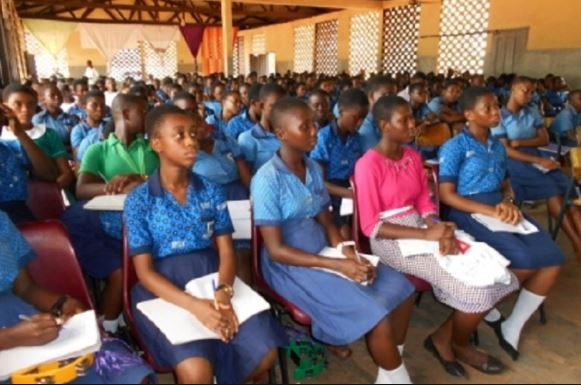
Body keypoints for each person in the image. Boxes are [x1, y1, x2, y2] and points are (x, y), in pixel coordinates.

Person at [252, 98, 416, 385]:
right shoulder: (267, 179)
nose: (315, 131)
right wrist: (337, 265)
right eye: (306, 127)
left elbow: (327, 220)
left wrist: (348, 252)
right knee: (374, 312)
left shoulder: (312, 167)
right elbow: (276, 250)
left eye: (315, 124)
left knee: (402, 288)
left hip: (322, 249)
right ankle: (398, 375)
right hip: (289, 264)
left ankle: (389, 368)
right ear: (282, 134)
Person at [356, 95, 517, 378]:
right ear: (384, 125)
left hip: (423, 226)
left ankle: (451, 340)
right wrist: (427, 233)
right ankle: (457, 343)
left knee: (491, 268)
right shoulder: (368, 164)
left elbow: (424, 201)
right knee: (471, 287)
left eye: (411, 117)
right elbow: (372, 227)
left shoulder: (412, 156)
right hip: (391, 239)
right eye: (403, 120)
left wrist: (437, 226)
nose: (412, 124)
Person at [124, 105, 286, 384]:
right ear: (157, 143)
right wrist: (196, 306)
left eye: (193, 134)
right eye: (180, 135)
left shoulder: (211, 190)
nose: (191, 142)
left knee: (264, 353)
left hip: (212, 275)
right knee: (195, 372)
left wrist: (223, 292)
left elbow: (226, 250)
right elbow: (145, 273)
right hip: (164, 286)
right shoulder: (140, 200)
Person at [439, 86, 565, 361]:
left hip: (499, 208)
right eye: (488, 108)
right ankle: (481, 308)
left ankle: (512, 325)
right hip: (468, 211)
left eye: (496, 106)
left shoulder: (497, 146)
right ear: (469, 114)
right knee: (526, 260)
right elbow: (447, 195)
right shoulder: (454, 147)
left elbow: (506, 183)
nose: (496, 112)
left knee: (553, 258)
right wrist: (491, 210)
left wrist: (507, 201)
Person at [0, 210, 153, 384]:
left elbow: (25, 288)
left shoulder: (1, 220)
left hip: (27, 321)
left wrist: (63, 304)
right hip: (10, 343)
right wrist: (9, 338)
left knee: (129, 374)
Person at [62, 94, 158, 335]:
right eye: (143, 111)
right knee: (119, 271)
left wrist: (139, 178)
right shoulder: (99, 150)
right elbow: (81, 189)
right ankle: (109, 331)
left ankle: (116, 324)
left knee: (130, 267)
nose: (148, 117)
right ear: (126, 114)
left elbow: (164, 181)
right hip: (101, 228)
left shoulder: (150, 149)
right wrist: (115, 186)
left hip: (134, 227)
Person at [492, 77, 581, 260]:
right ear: (513, 91)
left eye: (532, 91)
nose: (529, 95)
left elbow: (544, 139)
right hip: (514, 163)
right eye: (525, 91)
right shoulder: (499, 116)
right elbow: (506, 150)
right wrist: (537, 160)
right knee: (554, 191)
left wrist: (520, 142)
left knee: (568, 191)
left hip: (535, 155)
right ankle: (576, 242)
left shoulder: (532, 112)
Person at [310, 89, 367, 239]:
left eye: (363, 118)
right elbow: (319, 182)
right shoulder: (323, 137)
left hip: (352, 189)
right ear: (341, 112)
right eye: (356, 118)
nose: (360, 123)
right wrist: (351, 194)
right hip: (330, 193)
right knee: (343, 232)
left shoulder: (356, 138)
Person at [1, 84, 75, 194]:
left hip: (50, 194)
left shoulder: (47, 134)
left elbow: (66, 173)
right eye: (17, 104)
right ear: (5, 107)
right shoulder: (3, 138)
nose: (25, 109)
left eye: (30, 104)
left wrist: (47, 192)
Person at [0, 85, 58, 224]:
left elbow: (49, 175)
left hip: (17, 218)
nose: (25, 110)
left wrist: (20, 133)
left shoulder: (11, 149)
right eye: (17, 104)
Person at [238, 83, 286, 173]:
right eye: (275, 106)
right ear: (262, 106)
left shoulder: (289, 135)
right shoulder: (248, 138)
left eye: (284, 106)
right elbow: (247, 176)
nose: (281, 110)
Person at [359, 76, 399, 152]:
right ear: (371, 96)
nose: (391, 100)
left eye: (393, 96)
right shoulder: (366, 126)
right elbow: (377, 154)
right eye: (385, 95)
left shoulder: (387, 117)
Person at [70, 91, 108, 161]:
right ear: (84, 107)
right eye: (94, 105)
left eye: (102, 105)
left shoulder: (109, 125)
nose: (99, 109)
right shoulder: (78, 130)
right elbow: (78, 156)